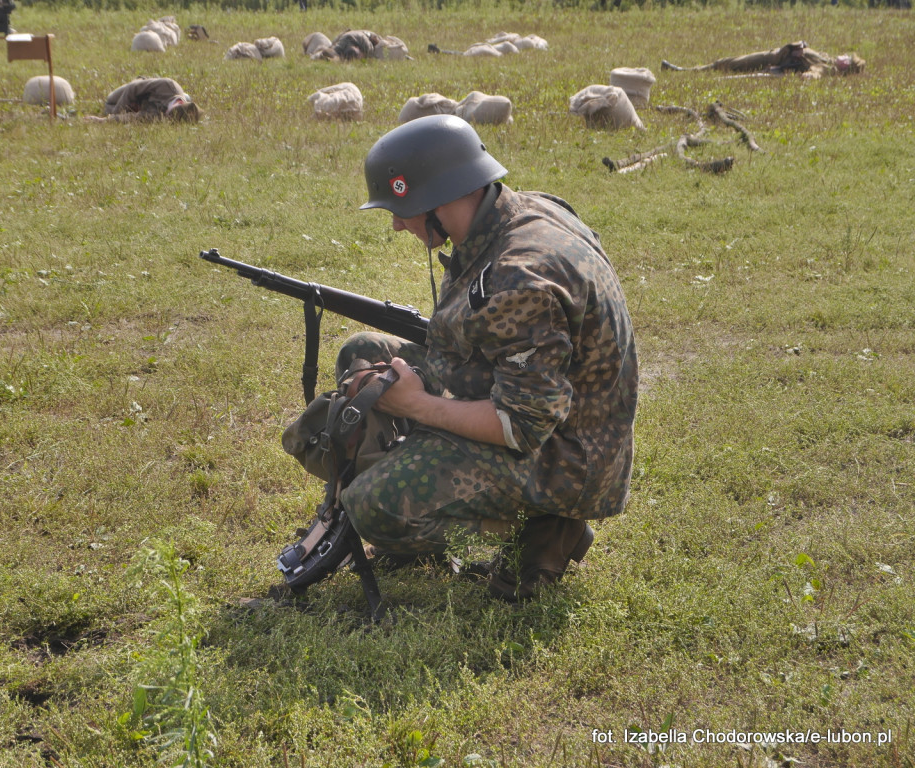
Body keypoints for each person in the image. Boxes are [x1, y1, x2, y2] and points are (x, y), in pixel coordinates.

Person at [335, 115, 638, 601]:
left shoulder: (522, 277)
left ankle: (546, 528)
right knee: (364, 354)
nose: (395, 223)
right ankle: (419, 491)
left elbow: (522, 426)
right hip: (543, 404)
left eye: (401, 207)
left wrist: (417, 406)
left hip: (565, 456)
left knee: (371, 507)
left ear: (437, 199)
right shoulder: (519, 208)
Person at [661, 41, 865, 80]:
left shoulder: (828, 69)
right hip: (775, 55)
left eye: (847, 58)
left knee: (731, 65)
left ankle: (684, 72)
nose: (843, 56)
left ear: (846, 66)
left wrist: (782, 70)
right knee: (728, 63)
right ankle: (686, 71)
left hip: (773, 62)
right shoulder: (828, 59)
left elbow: (811, 76)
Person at [86, 77, 201, 123]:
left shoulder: (160, 117)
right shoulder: (168, 85)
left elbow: (133, 117)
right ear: (179, 103)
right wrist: (115, 112)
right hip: (136, 89)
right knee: (110, 100)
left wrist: (103, 120)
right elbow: (132, 88)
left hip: (141, 105)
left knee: (108, 109)